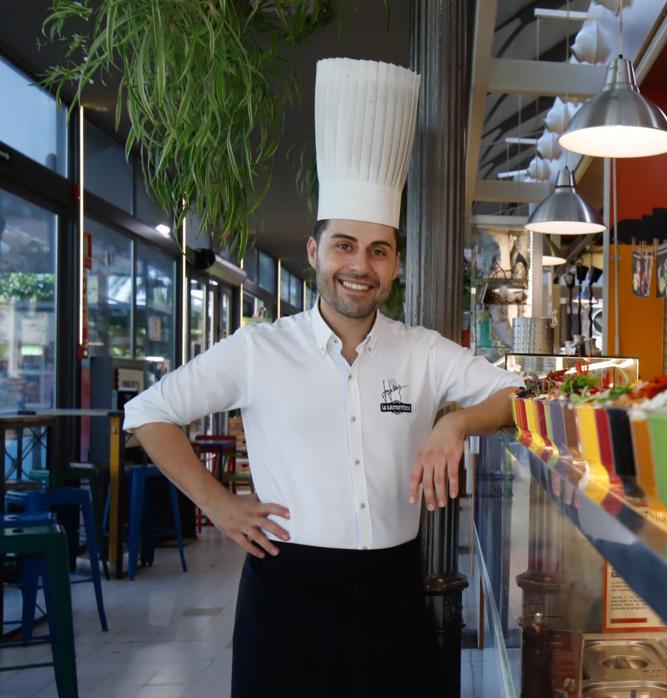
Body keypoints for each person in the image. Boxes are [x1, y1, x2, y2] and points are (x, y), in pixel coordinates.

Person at [124, 58, 521, 698]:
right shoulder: (258, 350)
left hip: (395, 594)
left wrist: (457, 421)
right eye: (344, 245)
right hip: (286, 597)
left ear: (395, 265)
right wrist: (220, 506)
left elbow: (517, 395)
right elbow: (147, 413)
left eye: (378, 250)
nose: (359, 266)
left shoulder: (422, 352)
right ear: (315, 252)